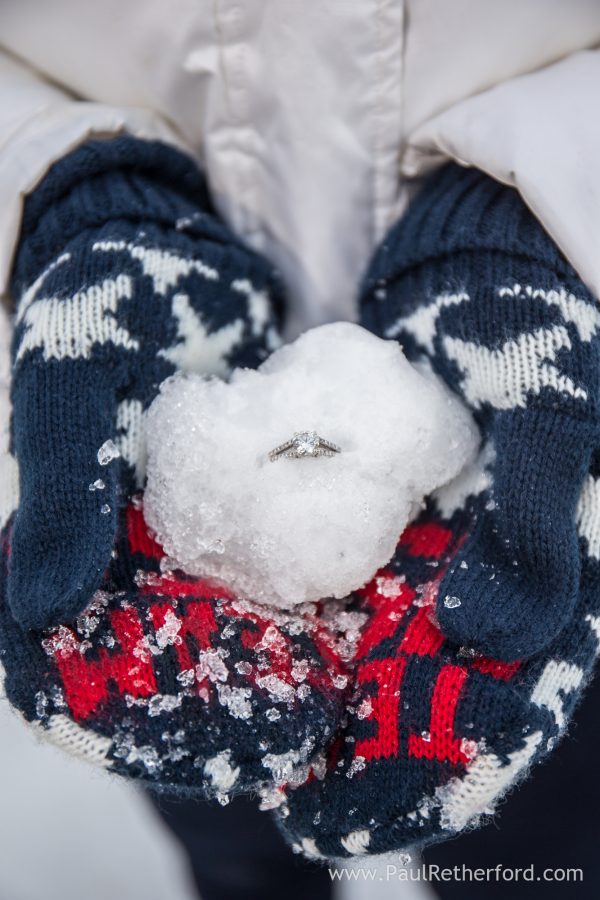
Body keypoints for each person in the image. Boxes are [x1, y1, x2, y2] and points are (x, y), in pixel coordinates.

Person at [1, 3, 600, 898]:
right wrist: (72, 189)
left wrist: (536, 203)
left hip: (530, 442)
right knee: (231, 839)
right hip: (133, 435)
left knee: (536, 858)